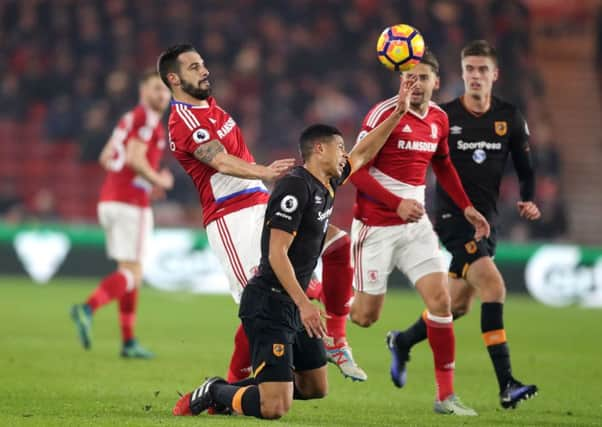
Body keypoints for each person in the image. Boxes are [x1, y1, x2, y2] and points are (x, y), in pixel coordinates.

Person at [172, 76, 416, 419]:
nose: (345, 154)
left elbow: (363, 154)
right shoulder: (294, 189)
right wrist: (305, 304)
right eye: (338, 147)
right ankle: (215, 392)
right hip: (271, 302)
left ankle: (243, 389)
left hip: (295, 302)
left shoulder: (327, 183)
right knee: (274, 408)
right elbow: (275, 253)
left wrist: (398, 113)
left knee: (315, 387)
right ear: (319, 150)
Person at [156, 44, 366, 383]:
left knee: (337, 243)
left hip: (259, 202)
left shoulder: (211, 107)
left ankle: (337, 339)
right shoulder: (183, 121)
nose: (205, 70)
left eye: (203, 63)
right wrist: (262, 172)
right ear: (174, 78)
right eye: (194, 67)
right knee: (261, 299)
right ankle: (225, 389)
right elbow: (219, 160)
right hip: (230, 218)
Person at [388, 40, 541, 409]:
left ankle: (403, 341)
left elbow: (525, 165)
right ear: (461, 73)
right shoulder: (444, 116)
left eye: (482, 69)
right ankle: (507, 385)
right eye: (469, 69)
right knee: (494, 286)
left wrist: (529, 197)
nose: (475, 76)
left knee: (455, 306)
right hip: (452, 219)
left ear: (494, 75)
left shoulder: (509, 117)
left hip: (487, 221)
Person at [348, 51, 490, 416]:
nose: (415, 84)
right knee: (365, 318)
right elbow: (355, 170)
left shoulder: (439, 119)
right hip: (375, 228)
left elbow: (442, 164)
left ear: (436, 82)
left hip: (416, 228)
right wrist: (395, 203)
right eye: (409, 78)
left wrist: (466, 206)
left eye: (423, 78)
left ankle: (445, 397)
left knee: (442, 303)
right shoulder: (383, 114)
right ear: (400, 81)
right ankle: (327, 299)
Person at [70, 70, 173, 358]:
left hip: (110, 200)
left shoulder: (127, 119)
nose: (162, 96)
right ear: (143, 91)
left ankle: (128, 342)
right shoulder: (146, 120)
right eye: (156, 89)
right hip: (130, 205)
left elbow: (107, 158)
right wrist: (158, 180)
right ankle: (86, 308)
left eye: (165, 91)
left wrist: (141, 179)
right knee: (133, 274)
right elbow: (134, 158)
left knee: (127, 271)